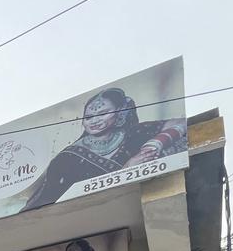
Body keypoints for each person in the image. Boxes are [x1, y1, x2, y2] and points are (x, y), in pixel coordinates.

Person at [23, 88, 186, 211]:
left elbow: (181, 122)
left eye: (103, 113)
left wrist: (156, 143)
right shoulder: (68, 158)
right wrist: (127, 169)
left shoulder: (134, 133)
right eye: (88, 117)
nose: (94, 121)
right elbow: (56, 201)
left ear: (120, 114)